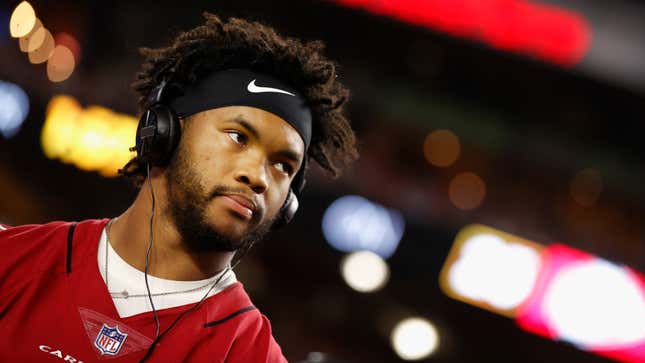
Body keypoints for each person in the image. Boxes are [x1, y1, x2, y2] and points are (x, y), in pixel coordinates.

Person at [0, 13, 357, 362]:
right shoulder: (13, 260)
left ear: (289, 203)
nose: (259, 176)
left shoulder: (251, 354)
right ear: (164, 133)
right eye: (238, 136)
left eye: (283, 165)